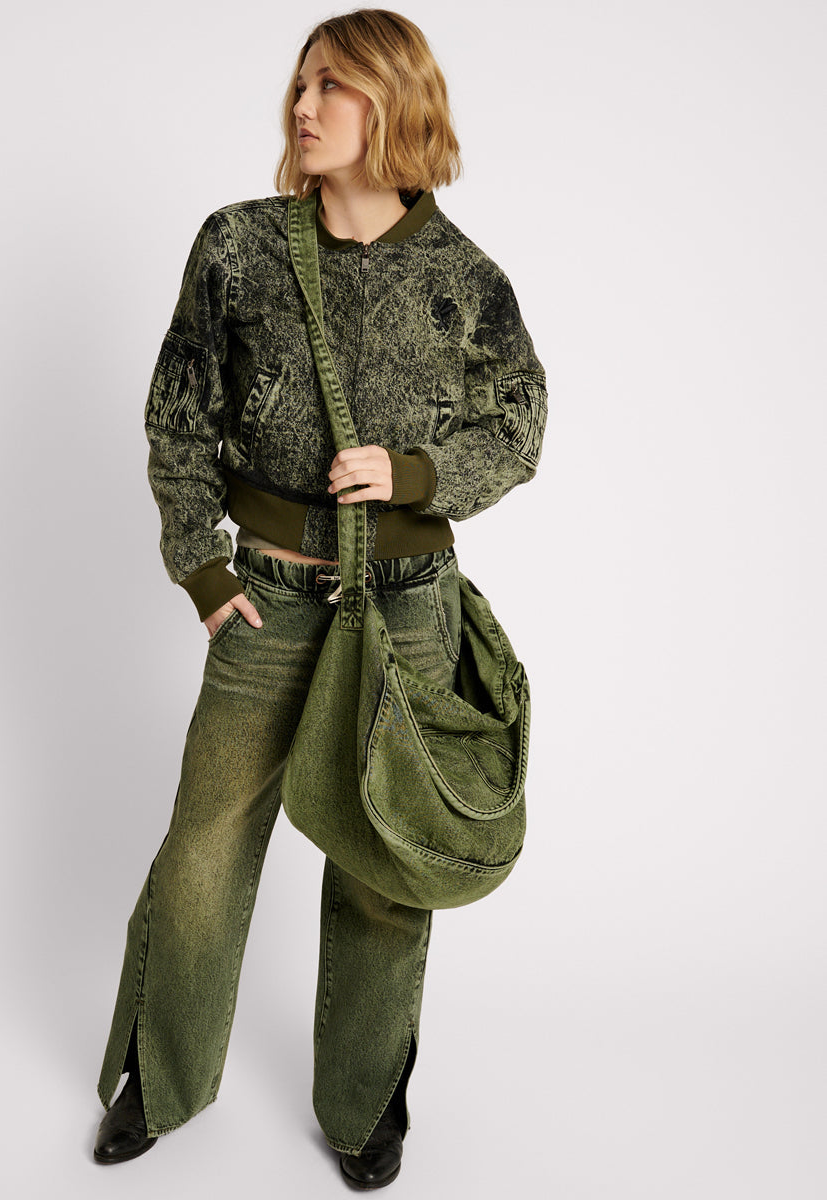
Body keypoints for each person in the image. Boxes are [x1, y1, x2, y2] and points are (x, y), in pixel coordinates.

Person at [92, 8, 547, 1189]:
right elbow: (179, 413)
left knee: (387, 862)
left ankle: (366, 1104)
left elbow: (521, 426)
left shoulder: (466, 281)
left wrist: (417, 475)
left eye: (332, 85)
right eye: (300, 83)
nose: (303, 106)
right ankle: (159, 1076)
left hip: (409, 606)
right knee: (205, 844)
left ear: (395, 103)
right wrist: (201, 566)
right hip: (270, 598)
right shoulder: (239, 246)